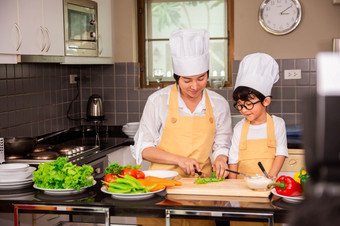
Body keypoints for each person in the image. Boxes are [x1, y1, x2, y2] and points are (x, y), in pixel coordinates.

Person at [131, 28, 232, 180]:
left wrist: (220, 158)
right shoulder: (157, 101)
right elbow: (144, 149)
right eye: (187, 80)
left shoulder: (219, 104)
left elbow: (222, 144)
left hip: (202, 182)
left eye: (201, 78)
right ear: (177, 78)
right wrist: (179, 160)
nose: (195, 86)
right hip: (163, 182)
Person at [228, 53, 288, 179]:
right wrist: (232, 186)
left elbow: (281, 153)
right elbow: (233, 159)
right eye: (239, 105)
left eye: (248, 104)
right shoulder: (239, 127)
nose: (243, 110)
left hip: (268, 184)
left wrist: (269, 177)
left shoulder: (277, 124)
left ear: (265, 101)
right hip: (241, 188)